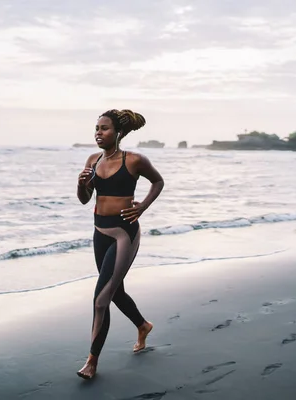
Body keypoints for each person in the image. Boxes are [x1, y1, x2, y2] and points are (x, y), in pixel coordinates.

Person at [76, 109, 164, 380]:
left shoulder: (135, 160)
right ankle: (143, 325)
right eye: (96, 128)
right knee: (114, 292)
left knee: (101, 299)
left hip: (124, 235)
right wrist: (81, 185)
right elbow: (84, 199)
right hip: (99, 233)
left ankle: (91, 362)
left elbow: (158, 182)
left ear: (118, 133)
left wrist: (142, 208)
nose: (98, 133)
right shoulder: (93, 159)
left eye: (104, 128)